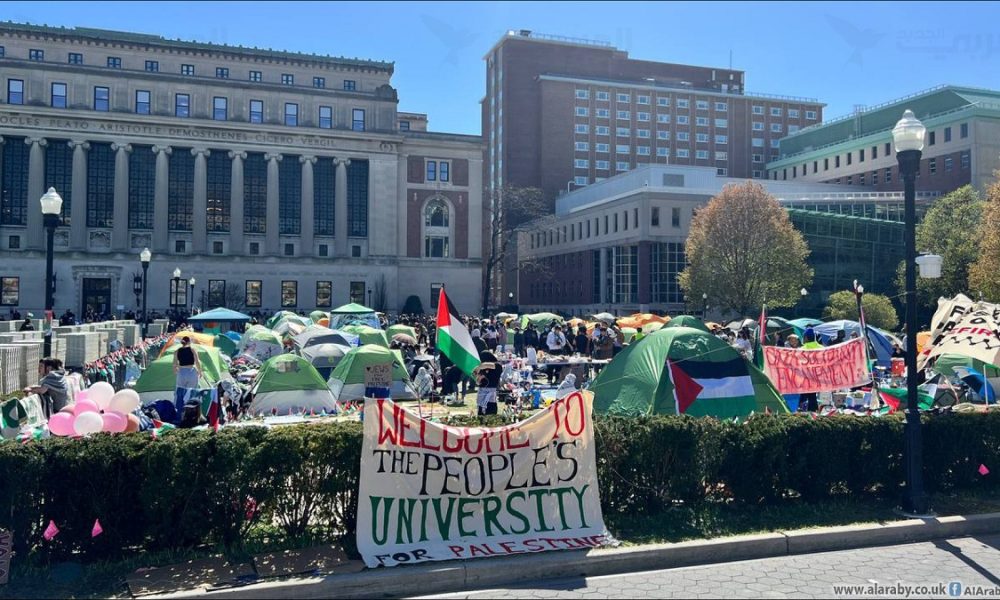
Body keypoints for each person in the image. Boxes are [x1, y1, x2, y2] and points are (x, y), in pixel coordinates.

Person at [473, 351, 502, 416]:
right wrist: (478, 377)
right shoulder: (483, 368)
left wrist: (478, 367)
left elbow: (486, 365)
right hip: (482, 392)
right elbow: (477, 382)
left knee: (490, 411)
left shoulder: (497, 365)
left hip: (491, 393)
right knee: (481, 413)